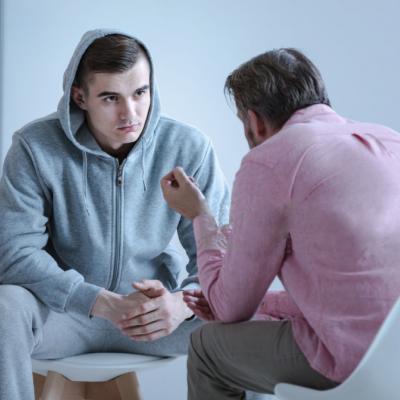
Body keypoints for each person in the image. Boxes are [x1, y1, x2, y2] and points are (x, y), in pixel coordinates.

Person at [0, 29, 230, 400]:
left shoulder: (189, 147)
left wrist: (181, 304)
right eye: (110, 98)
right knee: (3, 309)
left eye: (141, 92)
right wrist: (100, 302)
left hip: (156, 316)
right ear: (80, 96)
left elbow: (222, 253)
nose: (131, 113)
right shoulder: (34, 147)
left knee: (247, 320)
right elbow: (13, 254)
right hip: (64, 315)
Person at [161, 48, 400, 399]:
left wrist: (200, 216)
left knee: (206, 348)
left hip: (351, 363)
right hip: (393, 356)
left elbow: (230, 308)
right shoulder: (389, 139)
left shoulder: (270, 161)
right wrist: (264, 305)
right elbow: (355, 293)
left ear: (254, 121)